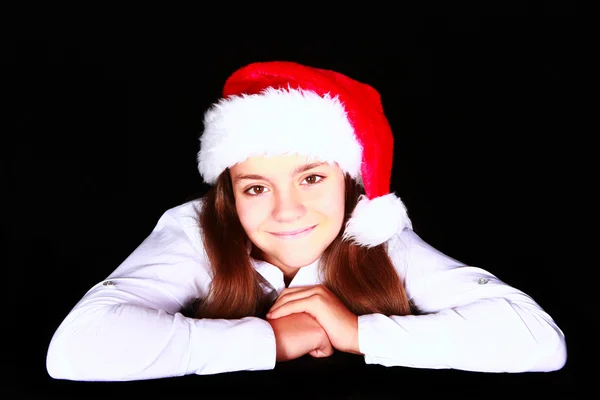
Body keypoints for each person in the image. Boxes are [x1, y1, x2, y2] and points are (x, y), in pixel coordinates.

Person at [46, 61, 567, 381]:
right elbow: (76, 349)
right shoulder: (196, 230)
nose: (286, 210)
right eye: (256, 187)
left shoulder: (377, 234)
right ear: (230, 194)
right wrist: (274, 341)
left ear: (348, 182)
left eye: (311, 179)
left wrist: (355, 332)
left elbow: (537, 340)